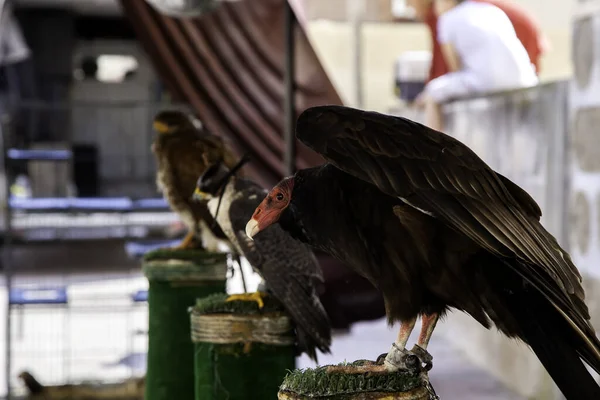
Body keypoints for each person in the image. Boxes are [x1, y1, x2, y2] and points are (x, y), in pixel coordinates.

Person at [415, 0, 539, 131]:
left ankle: (435, 145)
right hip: (524, 79)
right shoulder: (490, 10)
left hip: (489, 82)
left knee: (432, 93)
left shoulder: (447, 19)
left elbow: (455, 68)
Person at [406, 0, 548, 83]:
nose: (407, 6)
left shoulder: (444, 13)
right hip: (526, 31)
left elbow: (445, 66)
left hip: (522, 34)